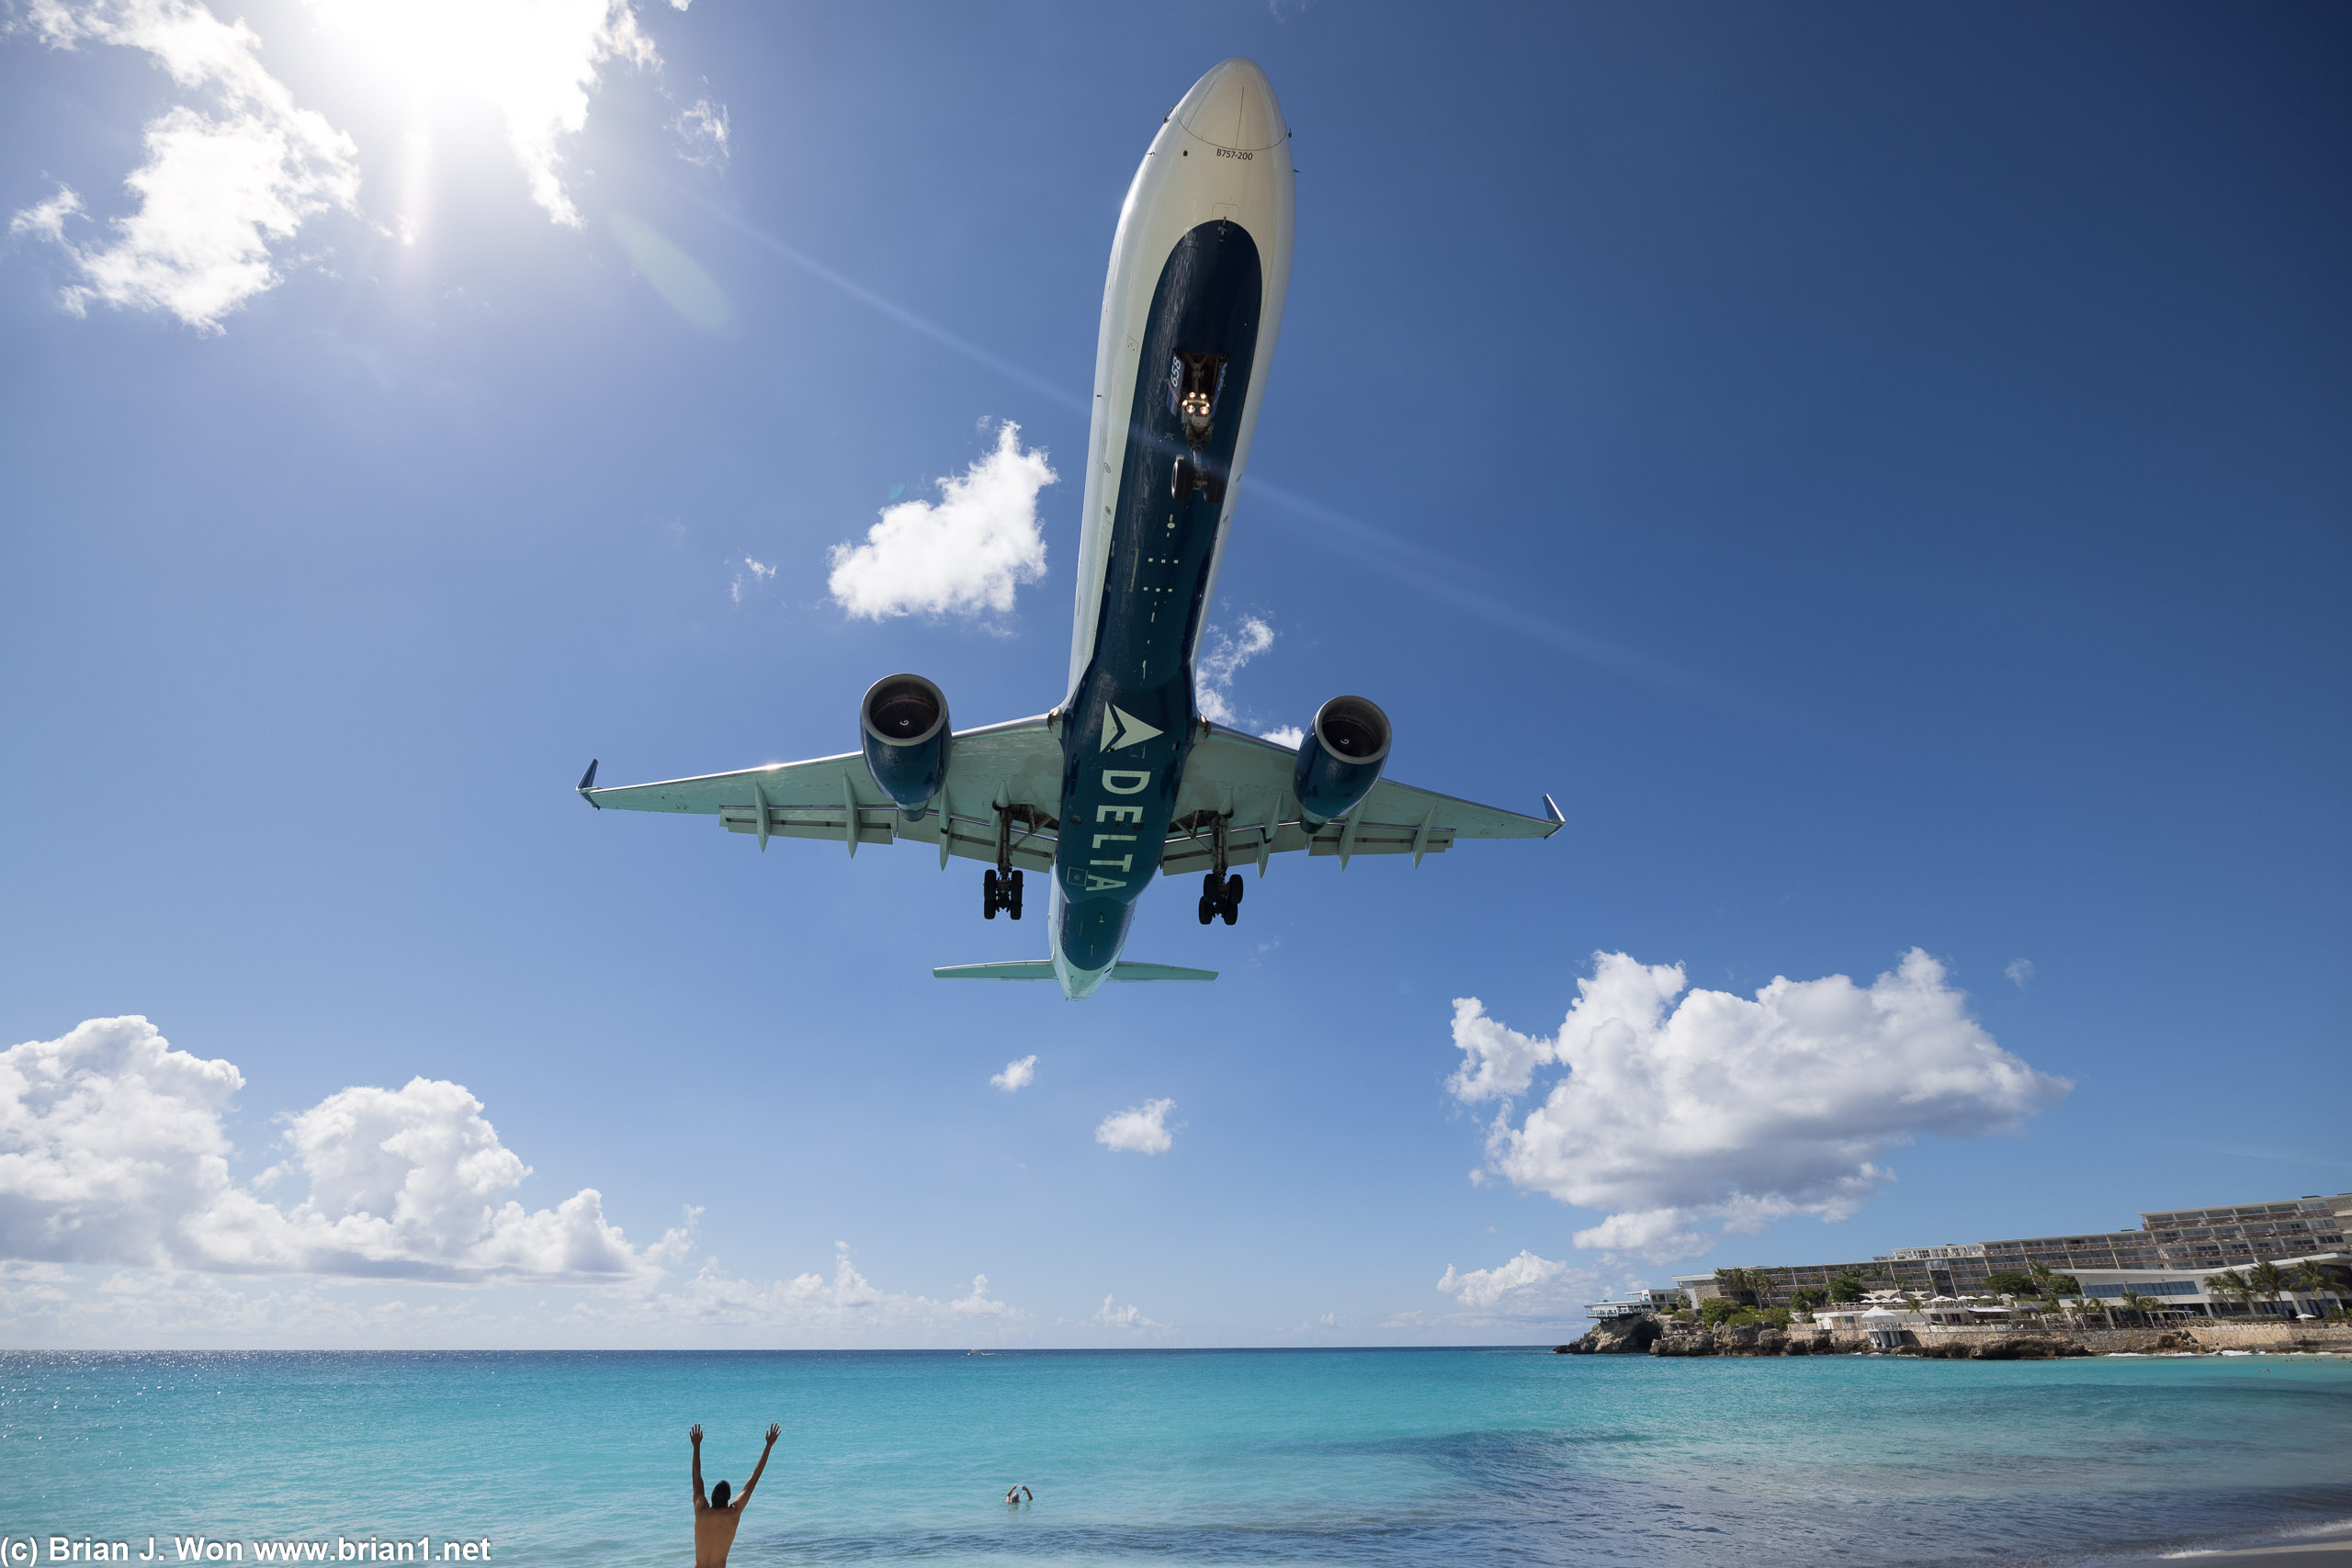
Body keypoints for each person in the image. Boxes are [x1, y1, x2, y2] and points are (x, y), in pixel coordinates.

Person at [691, 1421, 778, 1568]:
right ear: (729, 1499)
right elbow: (754, 1478)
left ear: (711, 1498)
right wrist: (768, 1446)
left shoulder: (701, 1511)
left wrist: (696, 1446)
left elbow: (696, 1478)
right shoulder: (734, 1513)